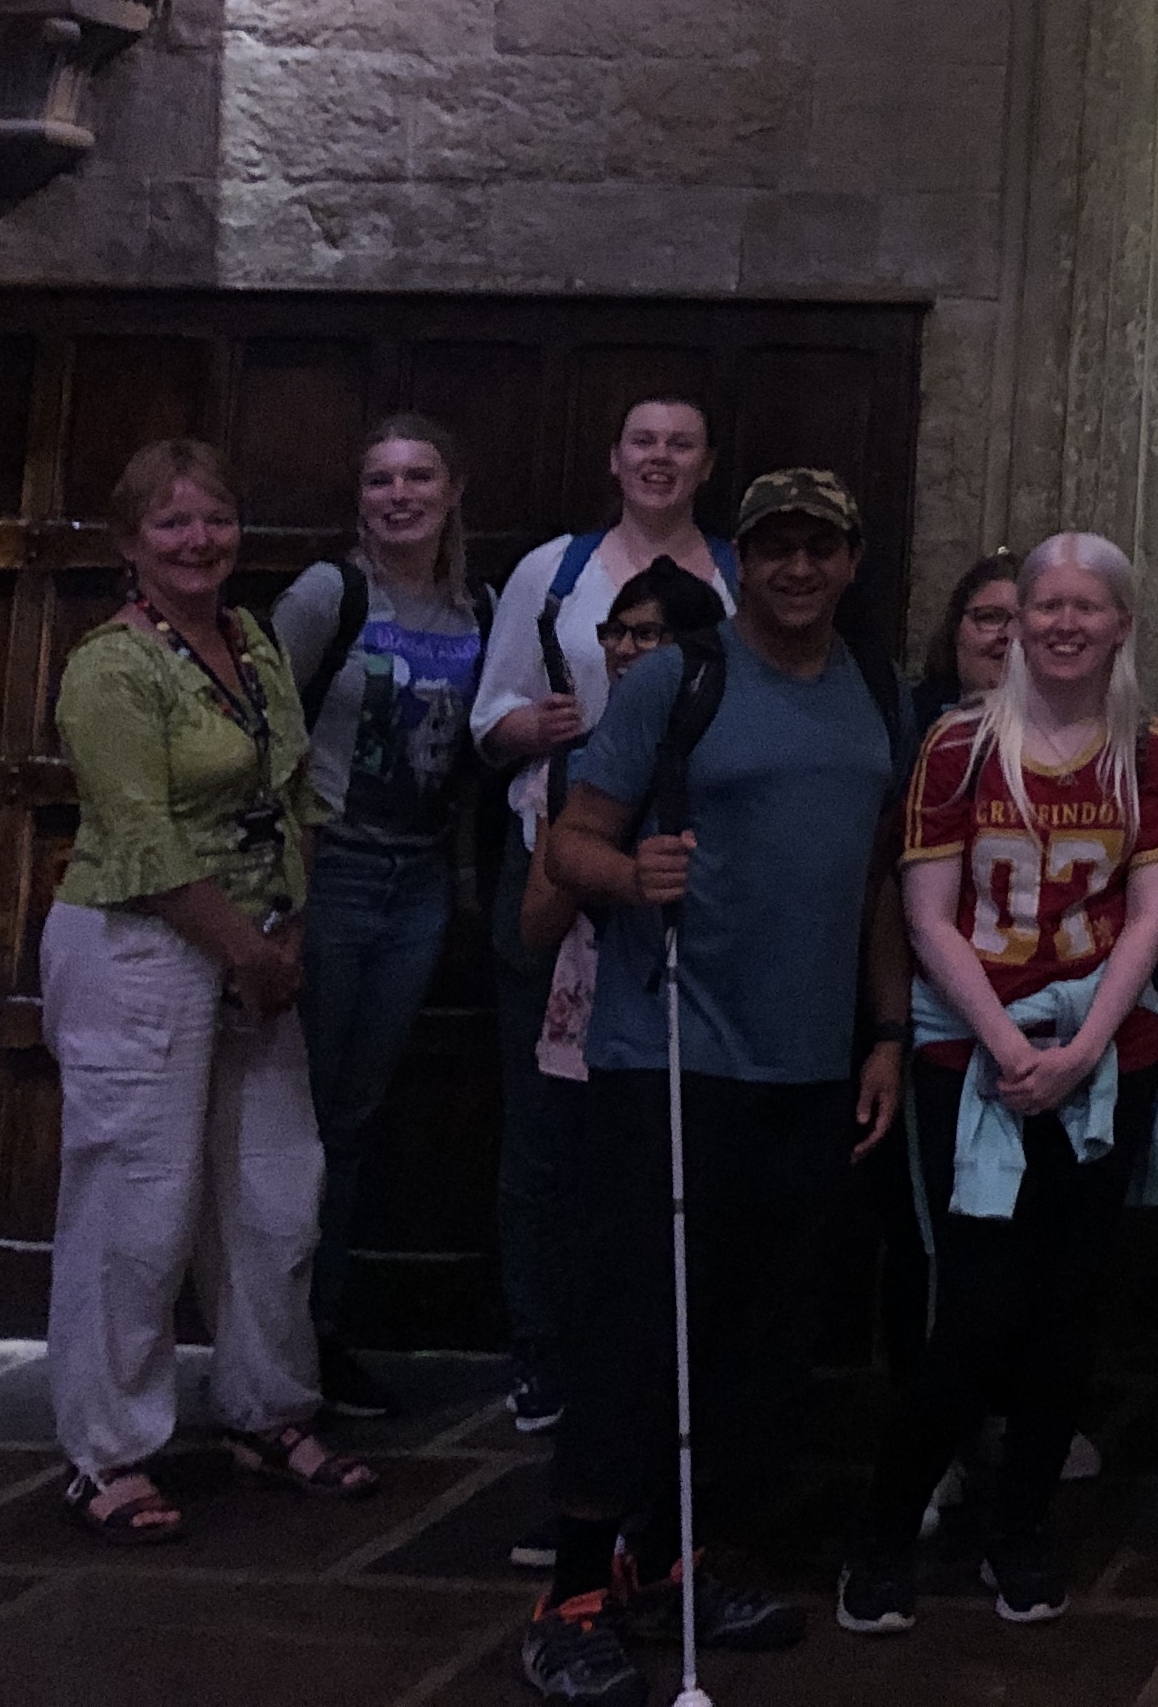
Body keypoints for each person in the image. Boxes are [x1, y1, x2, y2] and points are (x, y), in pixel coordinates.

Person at [523, 469, 906, 1707]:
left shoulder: (875, 692)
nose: (798, 569)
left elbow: (882, 886)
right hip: (672, 1057)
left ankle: (680, 1560)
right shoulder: (676, 680)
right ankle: (571, 1592)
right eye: (775, 548)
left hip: (808, 1067)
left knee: (757, 1341)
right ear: (744, 559)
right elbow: (569, 844)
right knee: (639, 1329)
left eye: (821, 548)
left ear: (852, 559)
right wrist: (634, 878)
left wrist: (889, 1032)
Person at [841, 535, 1158, 1636]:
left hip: (1103, 1059)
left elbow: (1150, 914)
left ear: (1122, 622)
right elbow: (927, 914)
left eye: (1088, 606)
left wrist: (1084, 1045)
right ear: (1015, 619)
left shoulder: (1150, 755)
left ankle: (1022, 1524)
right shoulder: (954, 750)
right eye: (1044, 605)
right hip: (976, 1056)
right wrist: (1007, 1043)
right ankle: (886, 1528)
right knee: (976, 1310)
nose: (1062, 624)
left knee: (1067, 1308)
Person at [45, 439, 376, 1543]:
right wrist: (243, 950)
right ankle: (108, 1453)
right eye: (174, 525)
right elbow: (138, 836)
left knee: (279, 1193)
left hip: (260, 948)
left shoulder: (254, 641)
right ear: (131, 543)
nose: (199, 542)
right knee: (137, 1205)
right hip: (142, 948)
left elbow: (294, 796)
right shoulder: (111, 668)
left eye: (217, 520)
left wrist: (287, 932)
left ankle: (267, 1412)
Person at [470, 396, 737, 1437]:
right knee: (545, 1124)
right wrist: (524, 729)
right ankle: (542, 1347)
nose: (659, 459)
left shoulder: (728, 574)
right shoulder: (555, 571)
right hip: (554, 854)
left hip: (681, 865)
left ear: (705, 462)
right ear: (614, 457)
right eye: (642, 443)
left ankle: (652, 1344)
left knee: (658, 1116)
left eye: (680, 443)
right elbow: (492, 717)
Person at [495, 558, 725, 1581]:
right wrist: (594, 852)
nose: (631, 650)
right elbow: (536, 923)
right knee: (602, 1275)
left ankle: (666, 1527)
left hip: (685, 1034)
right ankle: (586, 1516)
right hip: (586, 1025)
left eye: (655, 637)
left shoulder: (710, 750)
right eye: (620, 635)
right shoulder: (580, 764)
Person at [267, 412, 492, 1424]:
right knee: (298, 1115)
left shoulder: (477, 606)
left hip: (419, 883)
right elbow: (261, 720)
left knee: (351, 1119)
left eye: (418, 477)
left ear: (451, 492)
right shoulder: (331, 593)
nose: (398, 495)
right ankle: (275, 1336)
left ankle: (324, 1327)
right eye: (378, 481)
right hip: (335, 870)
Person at [913, 552, 1019, 726]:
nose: (1008, 634)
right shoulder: (909, 720)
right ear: (955, 629)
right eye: (990, 617)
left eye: (1023, 621)